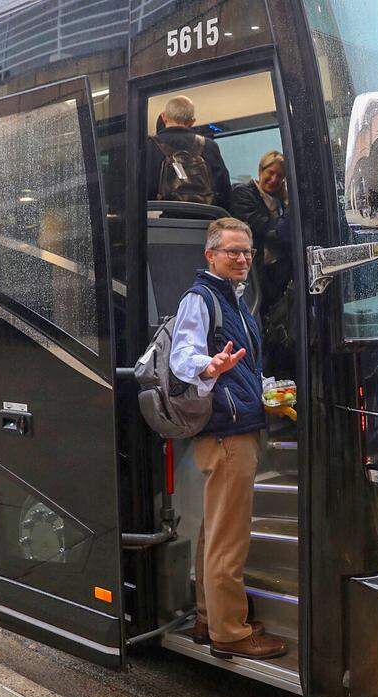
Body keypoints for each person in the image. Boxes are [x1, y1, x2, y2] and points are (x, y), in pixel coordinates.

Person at [168, 217, 287, 661]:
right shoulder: (202, 299)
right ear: (211, 255)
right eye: (232, 251)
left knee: (212, 533)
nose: (241, 259)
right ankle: (231, 632)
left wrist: (264, 392)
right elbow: (182, 357)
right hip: (228, 438)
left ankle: (207, 615)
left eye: (247, 252)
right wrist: (209, 366)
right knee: (229, 538)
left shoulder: (231, 300)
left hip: (232, 432)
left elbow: (243, 370)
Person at [230, 150, 291, 323]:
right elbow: (266, 229)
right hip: (254, 272)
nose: (274, 180)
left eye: (280, 176)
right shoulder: (243, 193)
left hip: (276, 273)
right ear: (260, 170)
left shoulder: (279, 201)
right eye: (270, 173)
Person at [146, 96, 232, 210]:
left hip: (161, 219)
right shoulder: (209, 146)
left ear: (163, 116)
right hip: (204, 217)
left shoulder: (148, 146)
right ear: (192, 122)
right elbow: (224, 190)